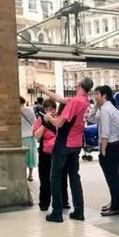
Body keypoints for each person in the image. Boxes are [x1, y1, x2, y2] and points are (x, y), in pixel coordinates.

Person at [35, 77, 92, 223]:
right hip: (77, 143)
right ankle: (79, 211)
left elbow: (60, 124)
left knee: (55, 176)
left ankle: (57, 212)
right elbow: (60, 99)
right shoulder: (85, 100)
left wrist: (48, 118)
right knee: (74, 176)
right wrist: (44, 89)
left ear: (78, 85)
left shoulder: (75, 102)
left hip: (64, 143)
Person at [93, 85, 119, 217]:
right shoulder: (115, 110)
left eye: (97, 94)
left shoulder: (105, 111)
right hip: (116, 146)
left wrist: (103, 150)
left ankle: (116, 207)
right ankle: (115, 203)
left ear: (104, 95)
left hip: (108, 147)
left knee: (111, 179)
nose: (95, 97)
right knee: (115, 178)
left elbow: (105, 133)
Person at [32, 99, 70, 211]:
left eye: (52, 109)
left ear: (55, 108)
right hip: (46, 153)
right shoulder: (40, 121)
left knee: (62, 178)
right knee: (45, 179)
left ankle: (63, 201)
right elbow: (37, 136)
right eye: (47, 109)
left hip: (59, 153)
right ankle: (44, 203)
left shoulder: (59, 119)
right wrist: (44, 124)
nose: (50, 111)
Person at [20, 96, 37, 181]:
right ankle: (30, 175)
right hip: (29, 135)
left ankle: (22, 174)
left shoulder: (14, 111)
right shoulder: (29, 110)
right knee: (30, 156)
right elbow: (35, 122)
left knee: (22, 157)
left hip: (19, 136)